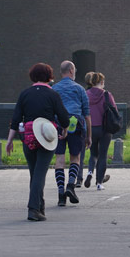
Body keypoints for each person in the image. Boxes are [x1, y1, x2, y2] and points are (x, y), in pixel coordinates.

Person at [6, 63, 70, 221]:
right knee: (40, 174)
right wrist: (65, 129)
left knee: (34, 174)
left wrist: (9, 140)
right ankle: (33, 209)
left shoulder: (24, 94)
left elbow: (15, 119)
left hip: (28, 137)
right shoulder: (53, 95)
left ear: (32, 76)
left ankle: (40, 206)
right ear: (49, 76)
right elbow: (64, 117)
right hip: (46, 137)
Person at [51, 60, 91, 206]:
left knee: (59, 160)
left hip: (58, 125)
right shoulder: (79, 89)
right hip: (76, 124)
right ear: (72, 71)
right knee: (75, 158)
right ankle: (71, 185)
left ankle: (61, 195)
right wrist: (88, 135)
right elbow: (87, 114)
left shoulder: (54, 89)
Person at [83, 72, 117, 190]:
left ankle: (89, 173)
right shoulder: (107, 95)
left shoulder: (85, 94)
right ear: (102, 82)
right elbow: (114, 110)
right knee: (103, 155)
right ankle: (99, 183)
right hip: (104, 129)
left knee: (93, 154)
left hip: (91, 129)